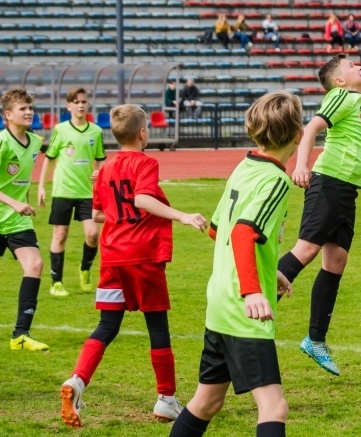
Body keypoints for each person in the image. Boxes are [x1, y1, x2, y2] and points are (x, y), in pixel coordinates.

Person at [59, 104, 208, 429]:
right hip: (143, 256)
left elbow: (98, 214)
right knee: (157, 327)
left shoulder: (107, 168)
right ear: (143, 132)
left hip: (112, 257)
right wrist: (182, 215)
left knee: (107, 325)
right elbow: (141, 199)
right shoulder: (146, 162)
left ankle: (77, 380)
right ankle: (166, 399)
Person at [168, 91, 302, 437]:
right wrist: (253, 290)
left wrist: (267, 267)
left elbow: (219, 230)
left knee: (207, 401)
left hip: (221, 301)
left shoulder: (246, 165)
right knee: (274, 407)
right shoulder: (277, 180)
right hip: (243, 309)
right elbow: (242, 233)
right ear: (298, 134)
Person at [275, 54, 361, 376]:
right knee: (306, 250)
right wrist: (301, 166)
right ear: (340, 81)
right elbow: (312, 127)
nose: (360, 65)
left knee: (336, 261)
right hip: (329, 182)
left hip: (347, 191)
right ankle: (247, 307)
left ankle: (315, 339)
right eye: (351, 65)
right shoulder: (340, 96)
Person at [37, 87, 107, 297]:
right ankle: (56, 282)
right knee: (60, 234)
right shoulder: (60, 129)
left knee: (93, 234)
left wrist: (100, 176)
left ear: (88, 104)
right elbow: (49, 158)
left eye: (84, 102)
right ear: (68, 106)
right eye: (76, 102)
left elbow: (102, 160)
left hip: (87, 192)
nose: (80, 105)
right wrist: (41, 186)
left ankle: (85, 270)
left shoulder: (96, 131)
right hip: (63, 191)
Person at [1, 88, 49, 352]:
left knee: (35, 264)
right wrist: (14, 202)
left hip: (18, 221)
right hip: (4, 214)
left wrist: (26, 200)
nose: (29, 112)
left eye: (30, 108)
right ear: (9, 115)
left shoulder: (35, 141)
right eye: (23, 108)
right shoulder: (1, 142)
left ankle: (21, 335)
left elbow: (20, 180)